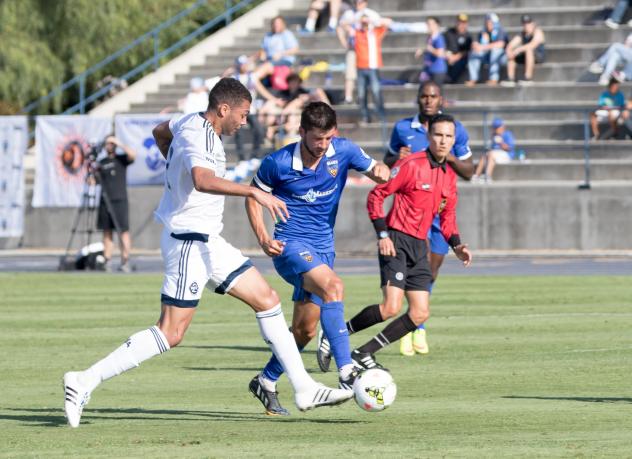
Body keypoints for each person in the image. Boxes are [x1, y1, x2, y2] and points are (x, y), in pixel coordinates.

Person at [62, 78, 352, 428]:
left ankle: (304, 388)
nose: (245, 122)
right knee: (171, 332)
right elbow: (201, 179)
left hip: (209, 241)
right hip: (188, 241)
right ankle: (83, 380)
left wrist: (174, 163)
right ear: (223, 109)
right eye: (243, 115)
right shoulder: (199, 134)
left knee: (268, 299)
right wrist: (252, 193)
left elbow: (160, 132)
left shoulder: (188, 121)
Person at [245, 102, 390, 415]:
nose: (322, 146)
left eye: (327, 139)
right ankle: (347, 370)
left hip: (324, 248)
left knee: (305, 331)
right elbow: (253, 198)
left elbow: (377, 168)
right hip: (290, 246)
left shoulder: (344, 151)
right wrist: (262, 237)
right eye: (315, 140)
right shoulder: (278, 162)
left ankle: (266, 380)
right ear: (301, 133)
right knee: (334, 287)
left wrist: (381, 172)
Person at [316, 82, 473, 363]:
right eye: (438, 135)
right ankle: (335, 334)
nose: (443, 141)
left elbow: (447, 216)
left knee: (420, 313)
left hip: (420, 246)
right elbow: (376, 195)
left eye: (449, 137)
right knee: (390, 307)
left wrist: (457, 245)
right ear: (428, 135)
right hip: (397, 241)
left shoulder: (449, 175)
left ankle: (364, 353)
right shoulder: (411, 165)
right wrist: (383, 235)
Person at [95, 136, 136, 273]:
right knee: (107, 232)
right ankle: (107, 260)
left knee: (123, 231)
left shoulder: (121, 159)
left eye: (111, 143)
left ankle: (125, 260)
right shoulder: (101, 162)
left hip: (120, 200)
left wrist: (119, 142)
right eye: (107, 143)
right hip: (105, 201)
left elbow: (132, 155)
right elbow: (93, 181)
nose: (109, 146)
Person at [230, 55, 279, 161]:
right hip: (238, 110)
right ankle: (242, 158)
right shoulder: (234, 78)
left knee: (259, 130)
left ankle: (254, 155)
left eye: (245, 64)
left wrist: (273, 99)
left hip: (250, 110)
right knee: (239, 134)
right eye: (242, 64)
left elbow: (261, 89)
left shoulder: (252, 77)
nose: (244, 66)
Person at [337, 0, 382, 104]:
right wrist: (345, 42)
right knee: (350, 73)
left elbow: (380, 24)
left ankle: (363, 97)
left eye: (360, 2)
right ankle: (348, 97)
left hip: (367, 49)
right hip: (353, 48)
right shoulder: (349, 13)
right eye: (356, 2)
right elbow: (340, 26)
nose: (357, 4)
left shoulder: (371, 14)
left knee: (366, 75)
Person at [355, 13, 388, 124]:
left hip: (373, 67)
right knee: (361, 94)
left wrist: (372, 21)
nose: (364, 24)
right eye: (363, 22)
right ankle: (365, 117)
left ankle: (381, 115)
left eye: (366, 22)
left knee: (376, 92)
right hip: (360, 67)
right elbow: (343, 26)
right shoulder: (357, 33)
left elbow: (385, 23)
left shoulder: (375, 32)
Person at [257, 16, 300, 88]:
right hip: (270, 60)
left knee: (267, 66)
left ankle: (254, 78)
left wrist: (281, 54)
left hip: (284, 60)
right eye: (275, 23)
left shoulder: (287, 34)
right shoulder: (268, 35)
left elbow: (295, 49)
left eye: (278, 23)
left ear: (283, 24)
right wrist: (263, 55)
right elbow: (263, 49)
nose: (276, 25)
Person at [466, 13, 508, 86]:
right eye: (487, 22)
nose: (488, 24)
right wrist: (476, 45)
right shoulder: (483, 32)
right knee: (474, 54)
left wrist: (484, 46)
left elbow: (501, 44)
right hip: (487, 56)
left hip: (502, 58)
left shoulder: (500, 30)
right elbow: (478, 45)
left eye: (491, 22)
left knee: (496, 51)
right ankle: (473, 78)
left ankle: (493, 78)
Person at [502, 15, 545, 86]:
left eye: (528, 23)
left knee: (529, 50)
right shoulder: (522, 34)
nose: (526, 25)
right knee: (511, 54)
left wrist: (518, 50)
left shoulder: (538, 32)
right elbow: (511, 44)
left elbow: (533, 44)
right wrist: (509, 50)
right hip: (526, 56)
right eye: (525, 23)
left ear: (533, 23)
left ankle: (528, 78)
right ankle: (510, 78)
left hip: (538, 56)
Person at [472, 117, 516, 183]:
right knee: (485, 155)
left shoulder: (507, 134)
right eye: (495, 127)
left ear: (502, 126)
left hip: (507, 155)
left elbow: (509, 148)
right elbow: (492, 149)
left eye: (497, 127)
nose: (496, 129)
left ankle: (487, 176)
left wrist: (501, 142)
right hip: (495, 155)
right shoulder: (494, 135)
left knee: (491, 154)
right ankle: (476, 175)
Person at [415, 16, 447, 86]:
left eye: (430, 24)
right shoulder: (430, 37)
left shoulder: (439, 38)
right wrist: (422, 51)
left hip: (437, 70)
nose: (428, 26)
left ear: (437, 25)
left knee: (436, 93)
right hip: (428, 69)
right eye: (427, 24)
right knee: (423, 91)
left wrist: (430, 49)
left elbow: (440, 53)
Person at [444, 13, 472, 84]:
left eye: (463, 23)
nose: (461, 24)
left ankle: (451, 80)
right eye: (460, 22)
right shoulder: (449, 32)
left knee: (461, 64)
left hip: (460, 58)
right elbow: (441, 45)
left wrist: (456, 57)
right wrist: (448, 55)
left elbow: (468, 51)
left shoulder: (468, 36)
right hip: (447, 56)